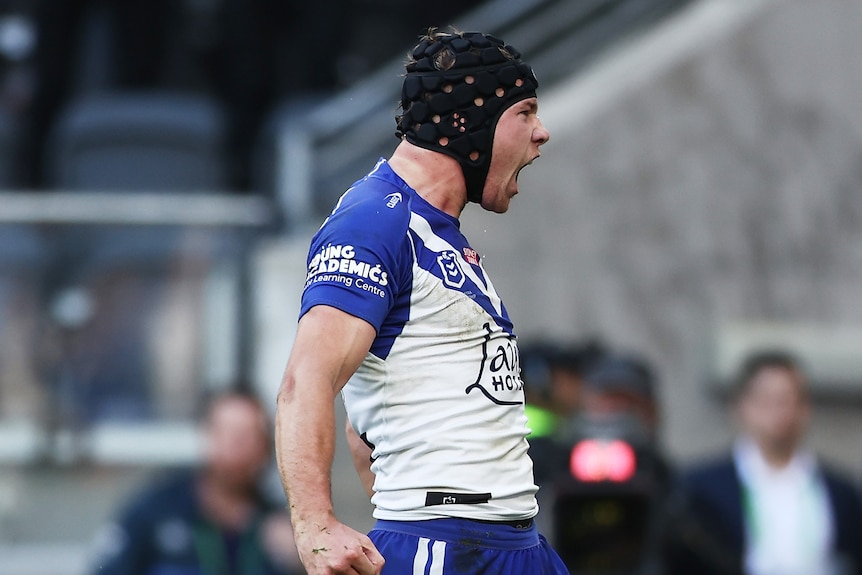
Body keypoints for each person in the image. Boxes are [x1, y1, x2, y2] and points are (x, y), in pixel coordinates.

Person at [275, 28, 567, 575]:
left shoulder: (440, 234)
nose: (542, 133)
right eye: (526, 112)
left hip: (513, 543)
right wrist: (315, 527)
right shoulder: (374, 220)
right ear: (468, 120)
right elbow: (305, 380)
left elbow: (364, 429)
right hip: (446, 546)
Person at [671, 350, 862, 575]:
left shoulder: (839, 490)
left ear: (805, 408)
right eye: (767, 400)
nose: (780, 412)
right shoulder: (702, 487)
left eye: (789, 399)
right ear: (741, 406)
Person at [88, 389, 304, 575]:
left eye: (247, 436)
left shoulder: (281, 528)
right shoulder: (155, 513)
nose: (236, 448)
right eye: (227, 434)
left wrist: (299, 563)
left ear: (265, 447)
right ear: (207, 436)